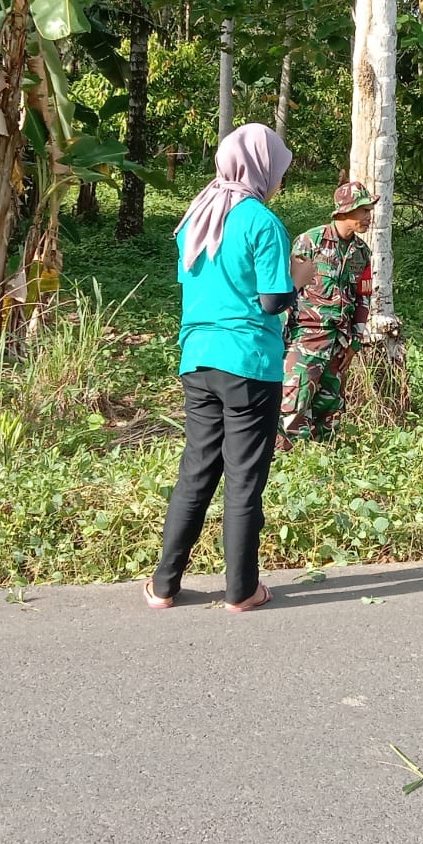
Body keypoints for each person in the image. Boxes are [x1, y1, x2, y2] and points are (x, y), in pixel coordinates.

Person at [146, 123, 294, 613]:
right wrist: (298, 278)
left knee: (197, 469)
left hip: (198, 359)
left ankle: (164, 586)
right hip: (249, 363)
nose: (279, 180)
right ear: (261, 167)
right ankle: (241, 590)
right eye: (278, 170)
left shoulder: (195, 217)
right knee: (244, 477)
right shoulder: (261, 221)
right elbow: (272, 301)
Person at [276, 181, 377, 450]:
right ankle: (288, 460)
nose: (368, 216)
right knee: (293, 404)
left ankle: (323, 458)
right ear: (345, 211)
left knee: (330, 407)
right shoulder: (310, 242)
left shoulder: (362, 253)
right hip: (305, 338)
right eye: (363, 210)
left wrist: (355, 342)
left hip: (339, 342)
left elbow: (363, 298)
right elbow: (289, 290)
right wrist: (280, 338)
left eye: (369, 210)